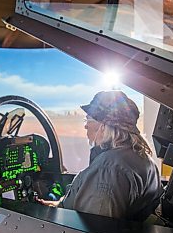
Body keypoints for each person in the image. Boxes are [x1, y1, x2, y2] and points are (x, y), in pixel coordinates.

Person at [37, 90, 163, 222]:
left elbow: (94, 231)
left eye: (89, 119)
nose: (86, 125)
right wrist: (58, 206)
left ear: (104, 126)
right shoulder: (143, 158)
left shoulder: (108, 170)